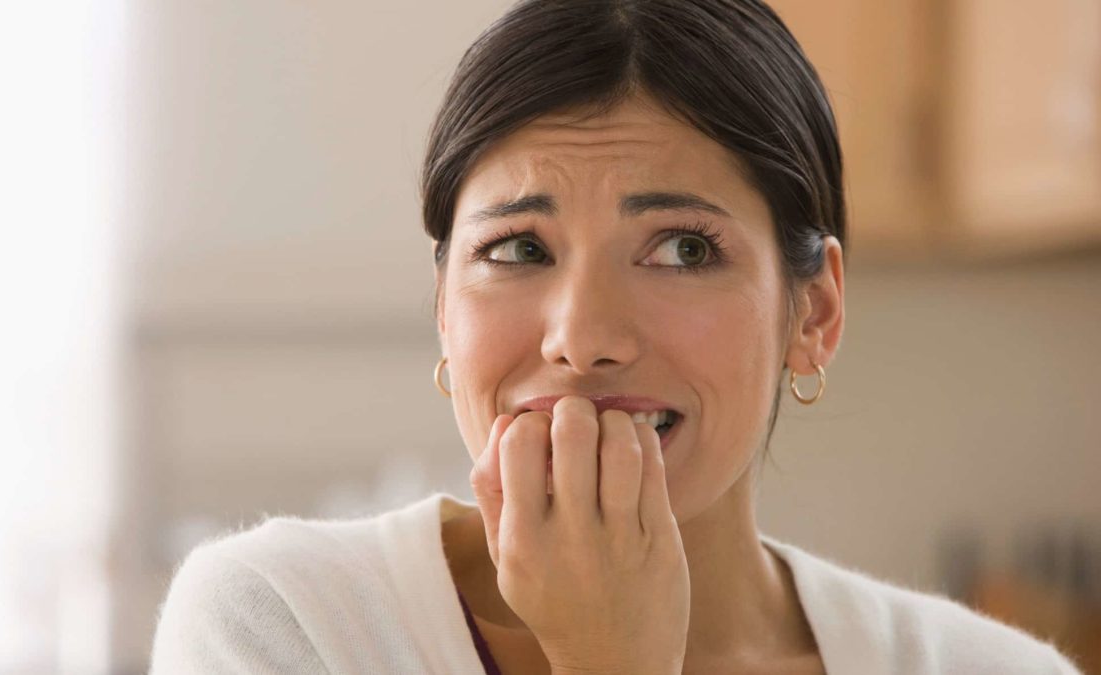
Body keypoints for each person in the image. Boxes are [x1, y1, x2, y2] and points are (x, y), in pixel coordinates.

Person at [149, 0, 1085, 673]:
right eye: (518, 247)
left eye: (682, 248)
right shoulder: (286, 625)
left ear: (816, 313)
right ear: (444, 307)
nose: (582, 337)